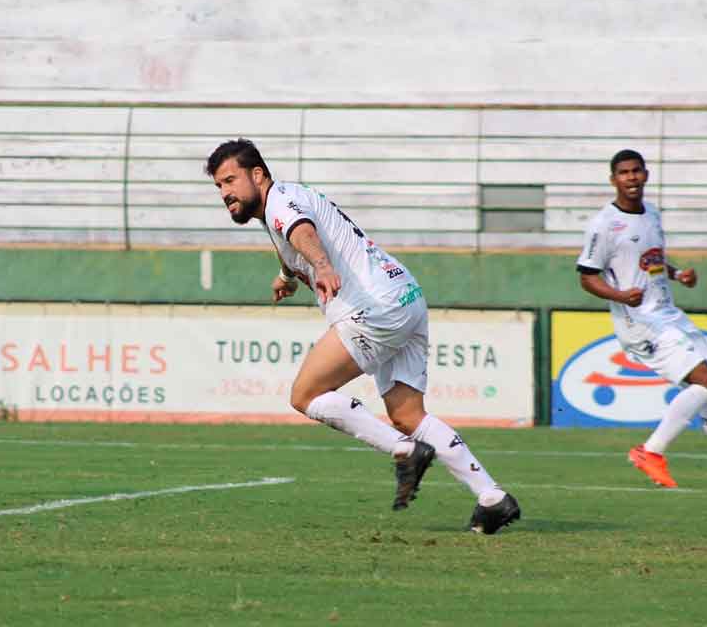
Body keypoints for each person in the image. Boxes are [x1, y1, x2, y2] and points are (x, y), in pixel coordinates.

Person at [206, 138, 520, 533]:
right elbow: (294, 240)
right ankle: (492, 497)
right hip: (404, 296)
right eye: (219, 186)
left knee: (305, 395)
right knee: (407, 415)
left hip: (374, 309)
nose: (225, 193)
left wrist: (320, 265)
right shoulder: (285, 201)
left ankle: (404, 451)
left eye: (230, 181)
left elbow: (303, 232)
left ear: (257, 175)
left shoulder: (281, 204)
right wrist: (287, 277)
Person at [577, 149, 707, 490]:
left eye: (637, 171)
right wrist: (622, 296)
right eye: (624, 173)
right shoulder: (603, 225)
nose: (631, 177)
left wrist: (677, 274)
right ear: (613, 180)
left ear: (646, 175)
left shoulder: (651, 213)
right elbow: (587, 277)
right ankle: (650, 451)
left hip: (667, 314)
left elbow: (649, 260)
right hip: (640, 322)